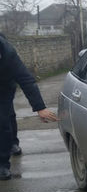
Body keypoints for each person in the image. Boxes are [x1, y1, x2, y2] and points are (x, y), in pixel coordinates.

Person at [0, 34, 58, 180]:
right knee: (7, 115)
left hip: (4, 88)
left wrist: (40, 108)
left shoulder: (8, 54)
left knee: (3, 120)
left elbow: (26, 80)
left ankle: (2, 164)